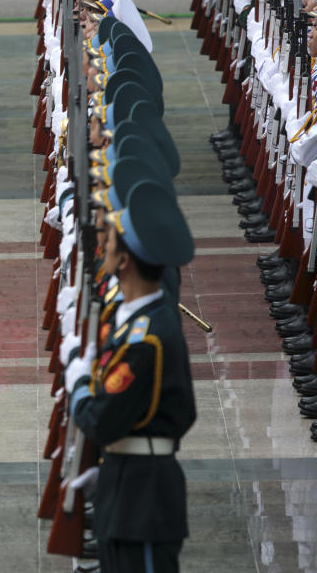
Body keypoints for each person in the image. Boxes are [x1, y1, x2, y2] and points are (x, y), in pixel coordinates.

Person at [65, 181, 196, 572]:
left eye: (109, 241)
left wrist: (79, 385)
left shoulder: (147, 340)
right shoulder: (138, 324)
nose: (101, 244)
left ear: (125, 261)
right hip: (127, 486)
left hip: (145, 500)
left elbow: (100, 420)